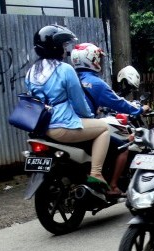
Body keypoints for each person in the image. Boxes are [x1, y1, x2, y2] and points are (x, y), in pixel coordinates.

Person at [25, 25, 111, 194]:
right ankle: (96, 173)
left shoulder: (32, 71)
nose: (66, 49)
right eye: (64, 46)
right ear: (55, 47)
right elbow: (78, 102)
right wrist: (91, 116)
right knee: (104, 129)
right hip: (62, 126)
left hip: (41, 127)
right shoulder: (65, 70)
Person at [71, 43, 148, 198]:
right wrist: (139, 109)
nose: (99, 61)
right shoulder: (96, 83)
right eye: (97, 58)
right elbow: (118, 103)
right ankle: (112, 185)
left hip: (64, 125)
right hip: (81, 126)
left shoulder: (70, 77)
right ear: (90, 59)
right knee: (122, 146)